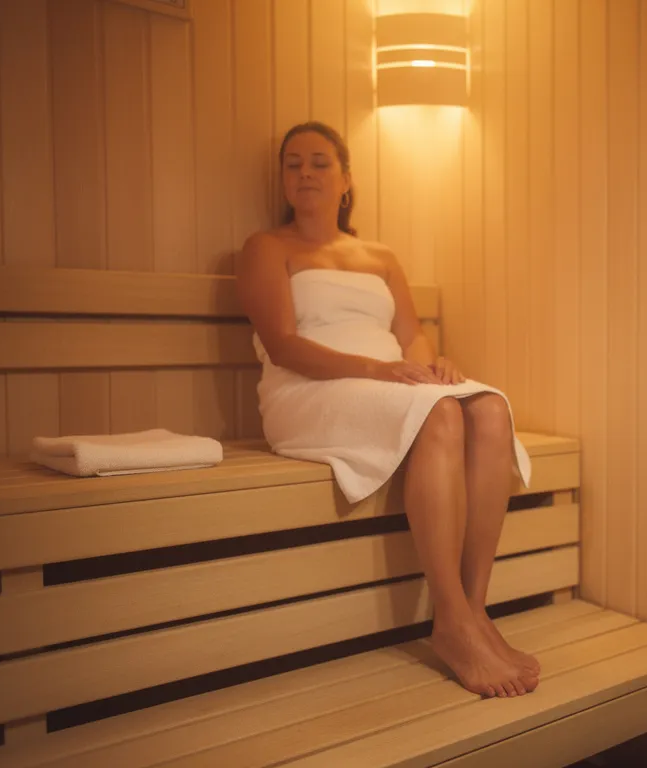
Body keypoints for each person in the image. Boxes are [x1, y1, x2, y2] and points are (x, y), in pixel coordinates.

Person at [235, 121, 538, 698]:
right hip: (311, 389)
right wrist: (383, 370)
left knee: (491, 408)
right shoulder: (266, 248)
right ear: (282, 180)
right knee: (442, 415)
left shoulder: (380, 256)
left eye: (320, 162)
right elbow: (282, 345)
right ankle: (450, 618)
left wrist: (435, 364)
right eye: (292, 163)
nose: (305, 173)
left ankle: (472, 613)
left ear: (346, 179)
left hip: (392, 384)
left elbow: (411, 335)